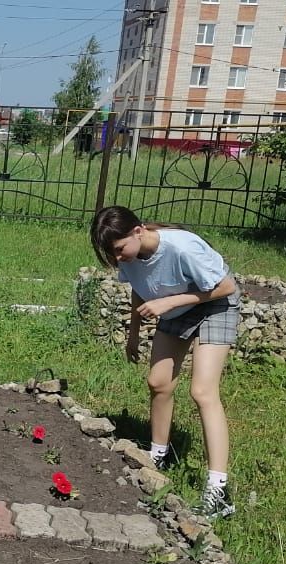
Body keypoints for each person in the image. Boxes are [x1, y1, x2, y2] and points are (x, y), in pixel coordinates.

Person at [90, 205, 240, 519]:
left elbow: (225, 287)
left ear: (138, 231)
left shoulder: (182, 247)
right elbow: (138, 289)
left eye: (119, 249)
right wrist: (133, 332)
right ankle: (158, 458)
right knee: (158, 383)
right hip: (174, 308)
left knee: (202, 391)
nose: (118, 258)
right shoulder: (129, 256)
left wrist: (169, 301)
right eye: (111, 253)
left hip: (215, 305)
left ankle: (219, 491)